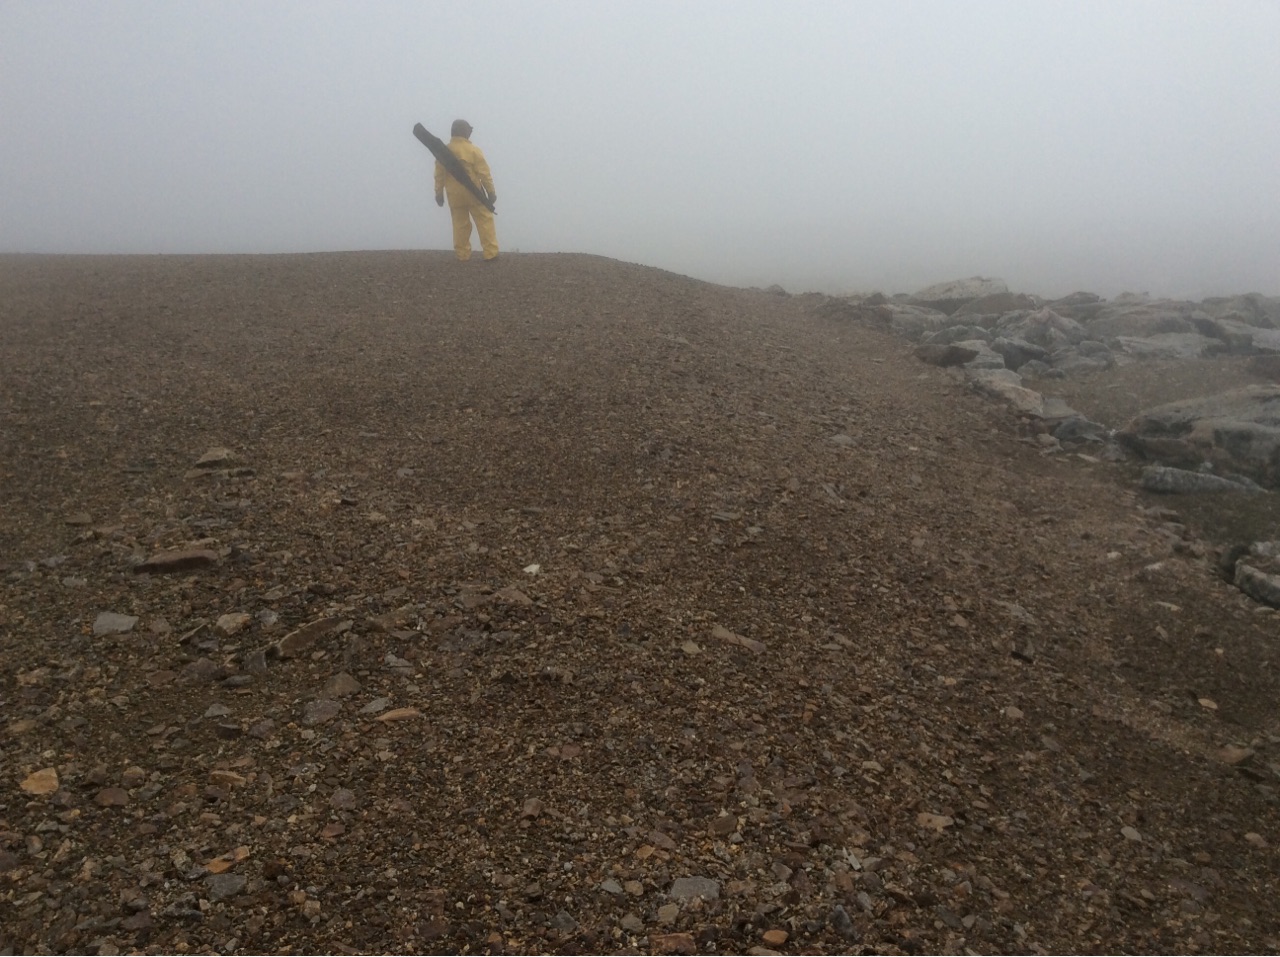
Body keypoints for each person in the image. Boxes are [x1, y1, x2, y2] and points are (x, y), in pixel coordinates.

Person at [434, 119, 498, 262]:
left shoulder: (443, 151)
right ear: (464, 131)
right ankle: (490, 253)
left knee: (460, 224)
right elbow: (484, 173)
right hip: (473, 193)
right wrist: (491, 192)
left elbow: (439, 175)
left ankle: (462, 255)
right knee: (484, 220)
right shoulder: (473, 150)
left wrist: (438, 193)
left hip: (454, 195)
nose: (471, 132)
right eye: (469, 129)